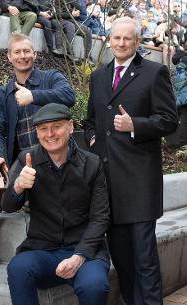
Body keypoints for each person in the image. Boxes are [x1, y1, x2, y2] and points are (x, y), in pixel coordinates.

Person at [83, 17, 178, 305]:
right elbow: (89, 121)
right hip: (107, 185)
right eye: (116, 38)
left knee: (144, 259)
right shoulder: (98, 77)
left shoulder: (154, 72)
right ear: (108, 40)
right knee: (122, 260)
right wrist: (92, 138)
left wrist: (134, 124)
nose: (121, 43)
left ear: (137, 42)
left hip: (138, 184)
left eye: (127, 39)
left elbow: (169, 120)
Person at [3, 103, 111, 305]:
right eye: (43, 129)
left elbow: (101, 217)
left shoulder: (92, 163)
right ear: (37, 133)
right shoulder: (27, 160)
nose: (50, 134)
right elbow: (7, 206)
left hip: (85, 249)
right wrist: (17, 186)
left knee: (94, 285)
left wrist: (79, 257)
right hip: (43, 249)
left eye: (56, 126)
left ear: (70, 127)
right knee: (18, 267)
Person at [0, 33, 75, 170]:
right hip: (23, 164)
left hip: (58, 159)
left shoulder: (51, 77)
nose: (22, 56)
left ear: (35, 54)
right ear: (9, 57)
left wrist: (33, 96)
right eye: (17, 52)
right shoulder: (3, 94)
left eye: (27, 51)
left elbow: (69, 96)